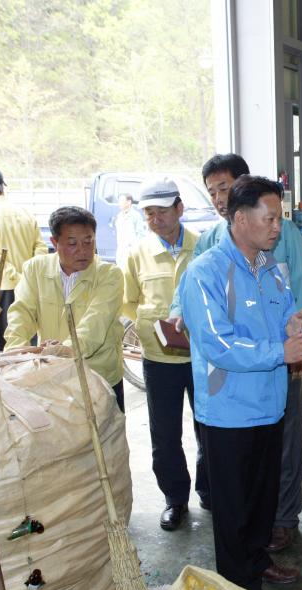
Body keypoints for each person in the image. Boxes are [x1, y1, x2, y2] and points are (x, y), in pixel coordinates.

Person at [178, 175, 302, 590]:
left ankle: (258, 560)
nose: (278, 227)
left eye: (279, 218)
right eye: (270, 218)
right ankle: (240, 589)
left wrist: (293, 327)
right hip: (229, 412)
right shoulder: (205, 273)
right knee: (234, 509)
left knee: (262, 500)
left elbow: (286, 315)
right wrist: (281, 351)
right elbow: (218, 345)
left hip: (270, 406)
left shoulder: (271, 270)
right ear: (240, 219)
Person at [122, 178, 205, 531]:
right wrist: (143, 331)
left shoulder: (204, 247)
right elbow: (128, 303)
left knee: (211, 429)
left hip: (203, 357)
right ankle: (175, 499)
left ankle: (212, 491)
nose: (155, 219)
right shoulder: (137, 253)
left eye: (162, 211)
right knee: (165, 434)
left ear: (180, 209)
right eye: (149, 213)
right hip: (158, 360)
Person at [5, 206, 125, 410]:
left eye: (88, 242)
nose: (83, 251)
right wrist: (17, 352)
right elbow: (21, 313)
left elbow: (95, 324)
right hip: (53, 376)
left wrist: (62, 350)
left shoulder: (109, 275)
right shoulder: (35, 269)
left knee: (106, 438)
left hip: (98, 375)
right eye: (72, 244)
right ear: (54, 242)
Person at [0, 169, 49, 351]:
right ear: (2, 187)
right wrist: (28, 276)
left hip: (1, 289)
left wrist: (16, 278)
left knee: (1, 346)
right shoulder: (24, 212)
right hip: (29, 286)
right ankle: (27, 377)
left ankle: (6, 378)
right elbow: (41, 247)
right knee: (27, 338)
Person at [112, 193, 146, 267]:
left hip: (131, 251)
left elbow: (141, 235)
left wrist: (134, 247)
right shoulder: (119, 216)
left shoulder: (136, 216)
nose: (119, 203)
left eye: (121, 201)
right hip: (121, 251)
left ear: (129, 202)